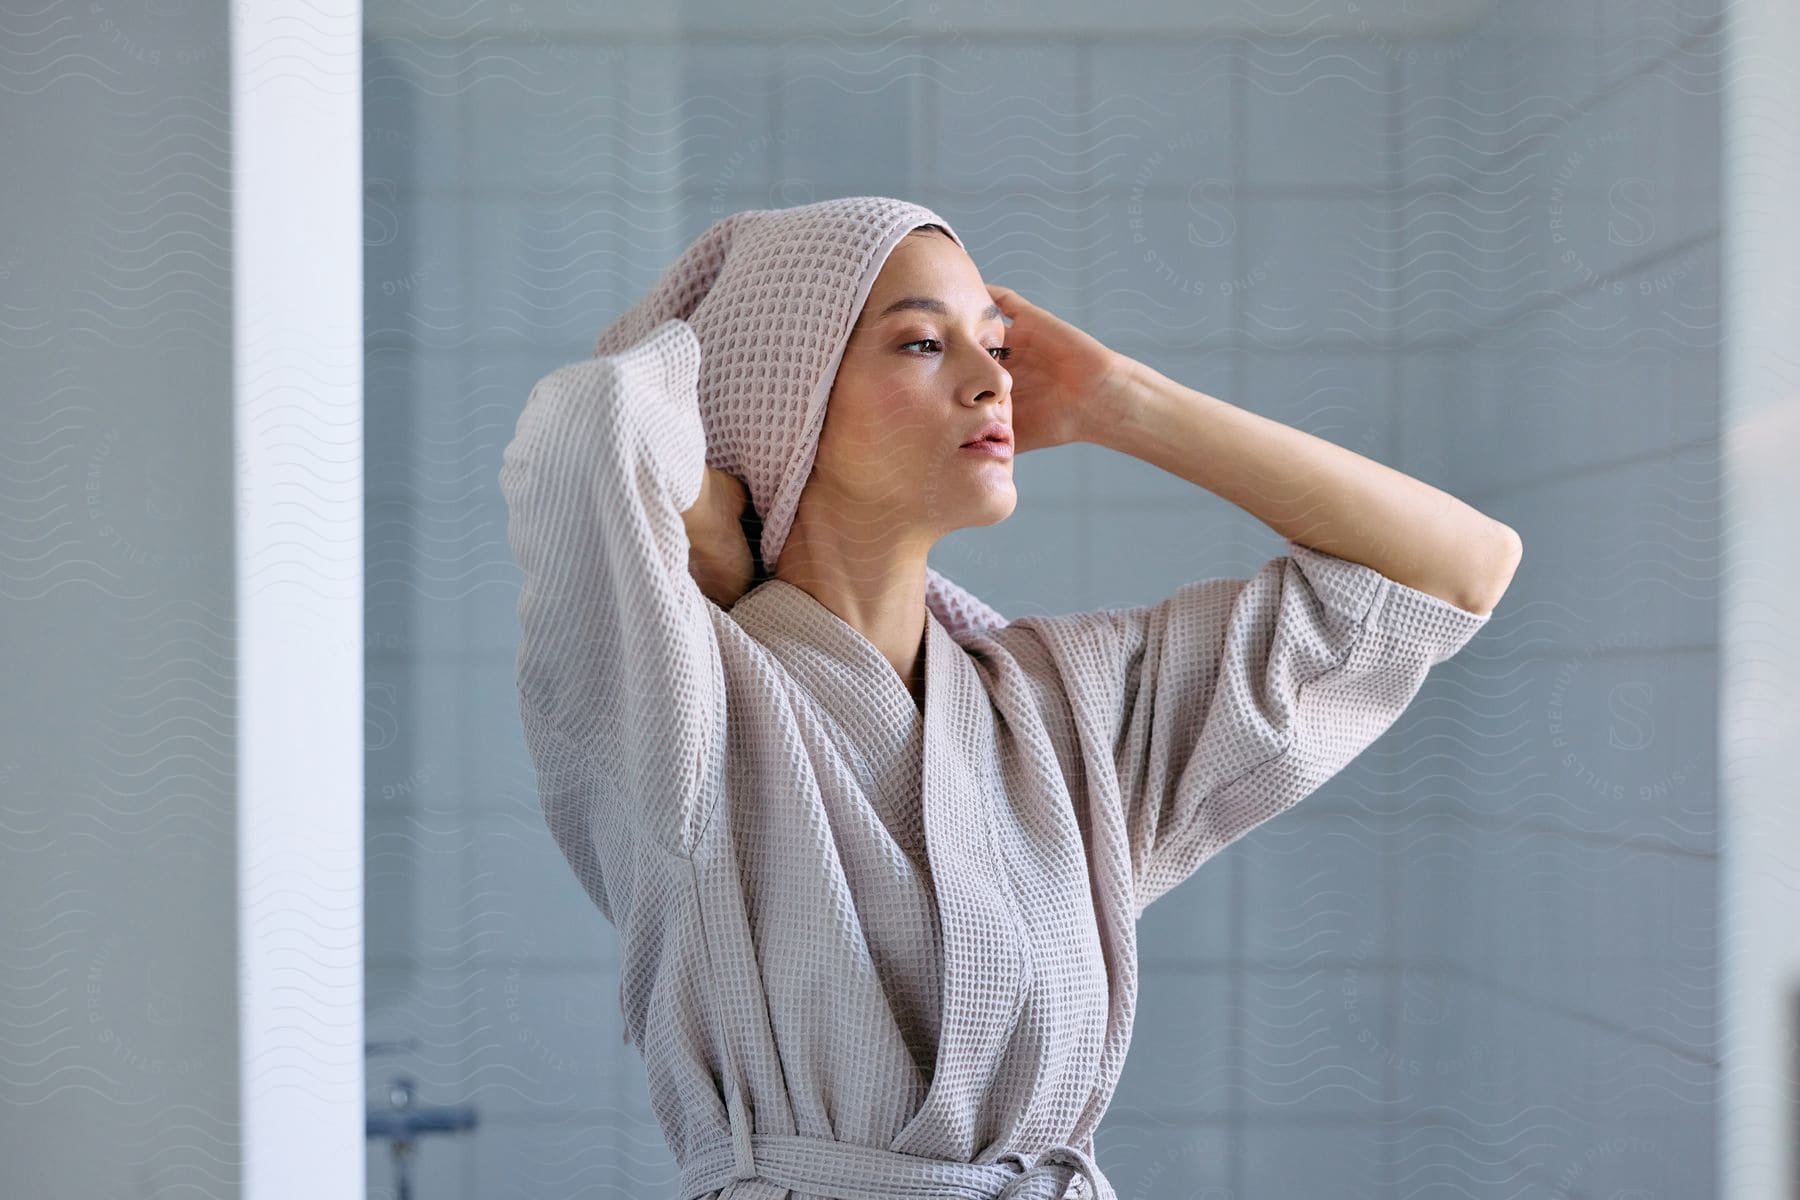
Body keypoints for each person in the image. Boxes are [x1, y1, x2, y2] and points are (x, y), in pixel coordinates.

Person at [498, 196, 1519, 1200]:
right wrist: (722, 542)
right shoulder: (683, 692)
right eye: (921, 345)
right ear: (784, 394)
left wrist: (1121, 399)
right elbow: (592, 423)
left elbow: (1457, 570)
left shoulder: (1064, 714)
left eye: (995, 343)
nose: (996, 383)